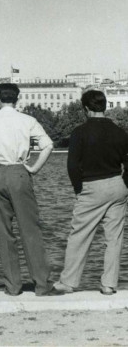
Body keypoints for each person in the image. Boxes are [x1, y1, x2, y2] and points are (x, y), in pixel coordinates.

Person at [0, 83, 64, 296]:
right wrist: (34, 168)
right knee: (30, 230)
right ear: (18, 99)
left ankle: (13, 286)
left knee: (4, 231)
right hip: (19, 172)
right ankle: (42, 285)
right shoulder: (28, 121)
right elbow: (48, 145)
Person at [54, 90, 128, 295]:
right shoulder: (120, 132)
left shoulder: (80, 132)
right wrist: (125, 183)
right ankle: (109, 284)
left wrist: (79, 189)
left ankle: (69, 282)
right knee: (114, 237)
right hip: (117, 186)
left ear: (85, 108)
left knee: (80, 235)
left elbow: (72, 166)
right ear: (104, 106)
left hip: (91, 187)